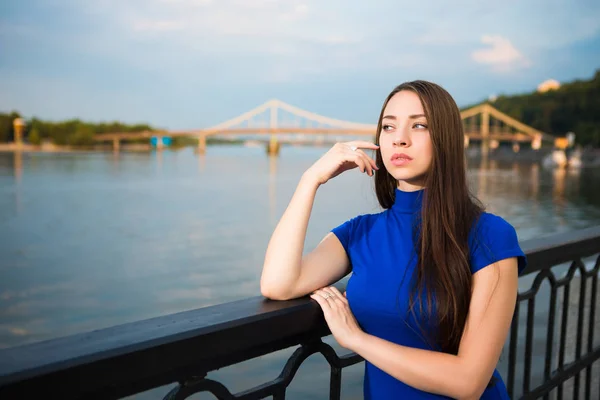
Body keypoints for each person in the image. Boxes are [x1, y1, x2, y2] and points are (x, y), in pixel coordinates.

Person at [260, 80, 527, 399]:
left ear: (445, 139)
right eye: (388, 127)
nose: (399, 139)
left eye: (419, 125)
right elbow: (278, 284)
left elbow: (468, 382)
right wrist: (311, 180)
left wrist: (356, 339)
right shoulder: (360, 233)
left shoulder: (491, 236)